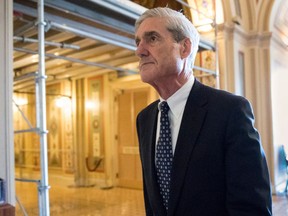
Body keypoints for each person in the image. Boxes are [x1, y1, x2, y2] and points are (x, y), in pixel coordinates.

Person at [135, 7, 272, 216]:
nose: (140, 51)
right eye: (137, 42)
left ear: (184, 48)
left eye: (152, 38)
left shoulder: (230, 111)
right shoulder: (144, 119)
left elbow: (251, 208)